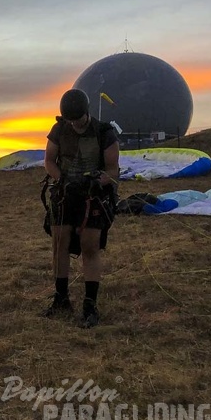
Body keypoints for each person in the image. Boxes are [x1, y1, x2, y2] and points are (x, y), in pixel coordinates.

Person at [44, 89, 119, 328]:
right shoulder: (58, 130)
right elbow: (49, 161)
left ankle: (90, 304)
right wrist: (61, 180)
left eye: (78, 119)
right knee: (59, 243)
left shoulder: (104, 132)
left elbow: (113, 170)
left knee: (89, 246)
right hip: (65, 194)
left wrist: (97, 181)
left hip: (92, 196)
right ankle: (61, 298)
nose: (75, 124)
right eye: (70, 120)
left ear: (86, 113)